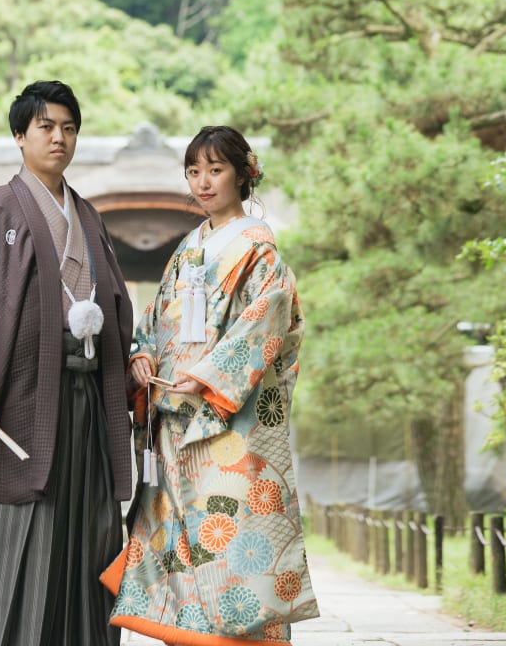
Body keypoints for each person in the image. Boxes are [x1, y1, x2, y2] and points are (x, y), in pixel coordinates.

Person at [0, 80, 134, 646]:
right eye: (46, 127)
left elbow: (114, 303)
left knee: (88, 529)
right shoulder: (0, 207)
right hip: (21, 400)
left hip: (88, 398)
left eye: (69, 128)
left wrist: (130, 367)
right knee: (20, 523)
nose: (59, 138)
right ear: (19, 136)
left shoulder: (88, 215)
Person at [103, 125, 319, 646]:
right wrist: (143, 354)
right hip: (173, 419)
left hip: (226, 420)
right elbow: (155, 317)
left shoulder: (259, 249)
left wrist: (205, 378)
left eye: (215, 170)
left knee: (233, 535)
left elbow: (265, 324)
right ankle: (189, 637)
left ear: (244, 174)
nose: (203, 182)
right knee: (182, 540)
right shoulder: (187, 248)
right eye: (193, 171)